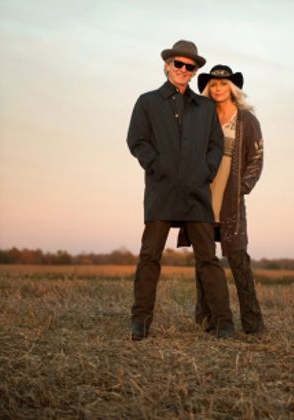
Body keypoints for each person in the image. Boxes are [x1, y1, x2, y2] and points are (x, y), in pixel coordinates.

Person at [126, 41, 234, 340]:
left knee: (208, 259)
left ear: (195, 71)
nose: (183, 70)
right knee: (150, 256)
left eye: (190, 67)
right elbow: (136, 140)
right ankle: (140, 321)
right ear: (167, 65)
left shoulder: (205, 108)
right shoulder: (147, 102)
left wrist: (205, 172)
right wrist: (157, 166)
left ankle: (224, 322)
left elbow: (217, 145)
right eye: (178, 64)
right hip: (161, 190)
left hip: (197, 194)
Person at [190, 64, 265, 334]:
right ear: (209, 89)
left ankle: (253, 323)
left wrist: (242, 188)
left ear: (232, 88)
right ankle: (208, 319)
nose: (218, 88)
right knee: (205, 257)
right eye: (213, 84)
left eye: (223, 84)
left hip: (231, 196)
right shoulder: (202, 117)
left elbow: (257, 159)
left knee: (238, 257)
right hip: (203, 193)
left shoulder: (247, 120)